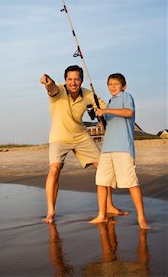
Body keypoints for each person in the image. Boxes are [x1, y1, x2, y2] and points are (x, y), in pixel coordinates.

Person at [40, 65, 123, 224]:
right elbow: (51, 89)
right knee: (54, 169)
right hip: (59, 137)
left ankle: (110, 206)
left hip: (81, 136)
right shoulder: (58, 90)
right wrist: (47, 82)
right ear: (65, 80)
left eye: (76, 79)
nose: (73, 82)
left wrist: (122, 111)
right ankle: (51, 211)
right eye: (70, 79)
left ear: (81, 80)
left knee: (103, 167)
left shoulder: (88, 94)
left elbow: (106, 107)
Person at [89, 73, 150, 229]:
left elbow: (129, 112)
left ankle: (142, 218)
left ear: (124, 86)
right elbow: (109, 126)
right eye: (110, 84)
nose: (113, 87)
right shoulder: (109, 102)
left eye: (116, 84)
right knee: (101, 181)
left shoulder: (126, 96)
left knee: (131, 182)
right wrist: (101, 114)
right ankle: (102, 215)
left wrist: (106, 111)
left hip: (123, 148)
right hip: (107, 149)